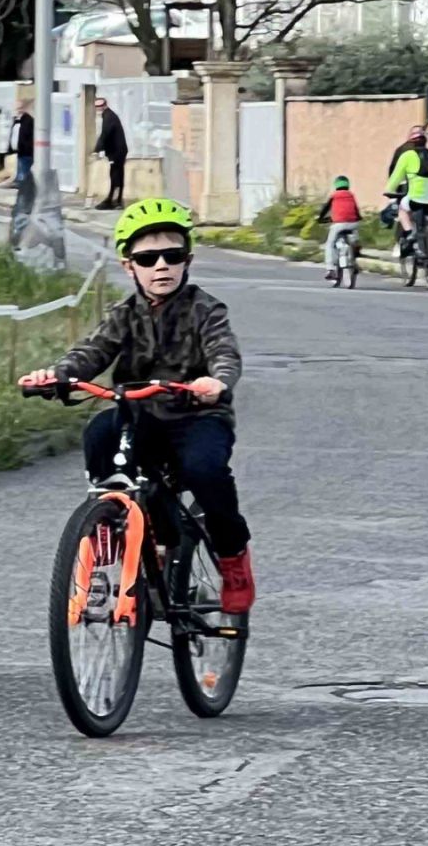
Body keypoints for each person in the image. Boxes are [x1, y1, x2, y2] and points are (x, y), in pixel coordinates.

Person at [17, 198, 255, 615]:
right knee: (100, 433)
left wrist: (216, 381)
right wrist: (57, 375)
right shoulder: (123, 315)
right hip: (140, 416)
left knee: (205, 471)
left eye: (172, 256)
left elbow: (224, 351)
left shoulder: (206, 310)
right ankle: (107, 535)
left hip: (196, 415)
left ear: (187, 260)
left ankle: (233, 559)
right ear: (129, 267)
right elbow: (92, 352)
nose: (161, 266)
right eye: (148, 258)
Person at [386, 133, 428, 279]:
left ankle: (410, 232)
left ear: (411, 144)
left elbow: (396, 176)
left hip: (416, 197)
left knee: (403, 209)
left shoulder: (407, 156)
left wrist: (389, 190)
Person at [316, 176, 363, 282]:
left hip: (339, 224)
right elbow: (356, 211)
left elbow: (325, 209)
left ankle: (330, 269)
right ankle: (355, 253)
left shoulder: (334, 196)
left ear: (336, 185)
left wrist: (320, 218)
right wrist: (358, 218)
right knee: (355, 238)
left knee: (329, 244)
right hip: (353, 223)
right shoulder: (351, 195)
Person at [92, 97, 128, 209]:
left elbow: (105, 133)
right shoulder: (108, 115)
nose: (98, 108)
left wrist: (97, 150)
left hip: (117, 151)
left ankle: (114, 201)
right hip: (116, 150)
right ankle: (115, 200)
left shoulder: (109, 116)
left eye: (100, 106)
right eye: (96, 106)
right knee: (116, 174)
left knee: (116, 175)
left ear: (105, 105)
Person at [5, 100, 35, 186]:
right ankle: (20, 183)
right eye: (17, 108)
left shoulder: (29, 120)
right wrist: (10, 149)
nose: (18, 110)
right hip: (18, 151)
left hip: (26, 151)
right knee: (19, 170)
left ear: (24, 108)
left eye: (20, 108)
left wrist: (26, 147)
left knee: (24, 171)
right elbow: (13, 134)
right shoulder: (16, 120)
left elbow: (28, 136)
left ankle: (24, 186)